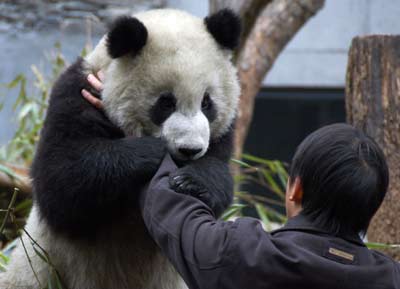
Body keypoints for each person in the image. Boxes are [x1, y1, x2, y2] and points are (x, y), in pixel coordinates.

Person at [83, 73, 400, 289]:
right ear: (371, 211)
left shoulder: (246, 255)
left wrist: (131, 124)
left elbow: (171, 207)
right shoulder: (389, 280)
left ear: (295, 189)